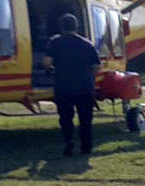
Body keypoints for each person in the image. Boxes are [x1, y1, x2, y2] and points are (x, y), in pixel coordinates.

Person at [43, 14, 101, 156]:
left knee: (65, 118)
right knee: (86, 119)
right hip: (84, 87)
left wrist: (50, 70)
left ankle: (69, 141)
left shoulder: (55, 42)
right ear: (77, 26)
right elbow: (97, 66)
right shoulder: (87, 43)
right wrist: (89, 76)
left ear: (62, 27)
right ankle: (86, 147)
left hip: (63, 87)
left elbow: (46, 62)